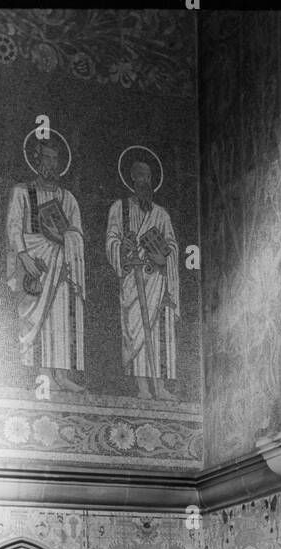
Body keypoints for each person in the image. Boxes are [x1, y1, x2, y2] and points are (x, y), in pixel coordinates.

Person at [6, 137, 85, 391]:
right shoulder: (22, 192)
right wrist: (25, 257)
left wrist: (67, 240)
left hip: (61, 264)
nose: (51, 164)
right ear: (37, 161)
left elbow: (77, 234)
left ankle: (61, 375)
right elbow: (14, 228)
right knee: (35, 315)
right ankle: (40, 372)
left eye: (55, 159)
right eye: (47, 158)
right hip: (35, 266)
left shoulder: (68, 198)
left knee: (60, 317)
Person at [105, 157, 179, 399]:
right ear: (131, 179)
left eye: (147, 176)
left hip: (157, 280)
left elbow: (171, 245)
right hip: (133, 279)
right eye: (138, 176)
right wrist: (122, 248)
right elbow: (111, 240)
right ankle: (142, 387)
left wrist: (164, 259)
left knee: (159, 331)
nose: (143, 181)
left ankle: (160, 386)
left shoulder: (162, 214)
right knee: (135, 330)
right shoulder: (120, 208)